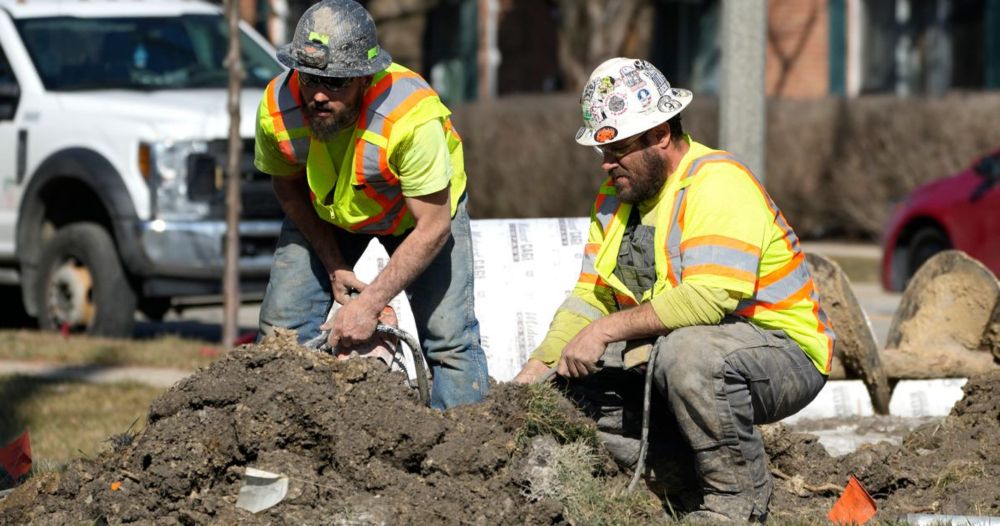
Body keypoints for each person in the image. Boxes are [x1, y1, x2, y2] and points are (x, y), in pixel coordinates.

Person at [513, 58, 835, 521]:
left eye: (617, 148)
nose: (606, 164)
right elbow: (592, 296)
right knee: (568, 394)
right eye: (601, 151)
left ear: (660, 134)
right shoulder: (614, 200)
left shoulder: (717, 183)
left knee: (688, 356)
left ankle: (736, 505)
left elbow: (708, 297)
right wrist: (538, 369)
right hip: (679, 358)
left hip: (783, 355)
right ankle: (680, 472)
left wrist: (606, 331)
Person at [254, 0, 489, 410]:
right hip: (327, 214)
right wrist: (333, 263)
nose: (319, 95)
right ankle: (277, 449)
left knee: (450, 343)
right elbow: (288, 188)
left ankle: (463, 458)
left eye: (337, 83)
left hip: (416, 222)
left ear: (365, 76)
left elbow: (433, 228)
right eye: (309, 79)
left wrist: (369, 303)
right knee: (280, 334)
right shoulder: (276, 107)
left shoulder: (411, 119)